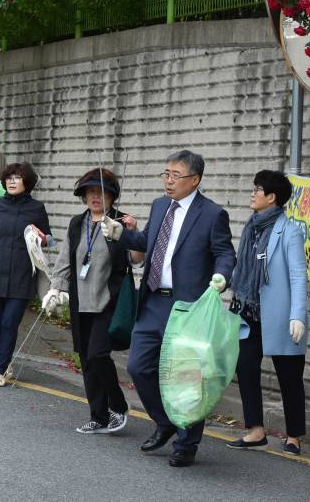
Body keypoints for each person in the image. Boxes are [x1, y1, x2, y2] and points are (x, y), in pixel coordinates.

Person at [102, 150, 235, 468]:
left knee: (187, 378)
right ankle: (165, 422)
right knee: (138, 366)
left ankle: (187, 444)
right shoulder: (160, 205)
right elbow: (148, 241)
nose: (168, 180)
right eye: (166, 173)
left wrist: (221, 278)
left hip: (187, 308)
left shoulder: (212, 213)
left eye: (176, 175)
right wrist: (122, 236)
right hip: (152, 302)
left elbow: (225, 253)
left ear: (195, 179)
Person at [46, 168, 134, 433]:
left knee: (97, 355)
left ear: (113, 196)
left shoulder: (119, 222)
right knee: (85, 358)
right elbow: (65, 260)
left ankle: (118, 407)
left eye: (102, 192)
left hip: (108, 301)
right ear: (84, 195)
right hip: (80, 302)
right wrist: (55, 289)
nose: (96, 197)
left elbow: (136, 259)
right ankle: (99, 416)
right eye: (91, 191)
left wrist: (130, 233)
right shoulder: (76, 223)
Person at [227, 170, 308, 455]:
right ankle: (256, 430)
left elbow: (299, 276)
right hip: (249, 310)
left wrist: (297, 315)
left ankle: (295, 436)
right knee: (246, 367)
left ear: (271, 197)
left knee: (289, 375)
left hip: (280, 315)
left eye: (257, 189)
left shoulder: (290, 231)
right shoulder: (251, 227)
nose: (252, 194)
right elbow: (243, 269)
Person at [0, 163, 52, 387]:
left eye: (18, 178)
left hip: (22, 275)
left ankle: (0, 369)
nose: (12, 181)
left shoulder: (36, 208)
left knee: (9, 324)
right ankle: (5, 360)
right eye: (9, 178)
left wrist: (42, 238)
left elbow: (49, 239)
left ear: (28, 182)